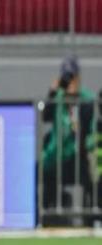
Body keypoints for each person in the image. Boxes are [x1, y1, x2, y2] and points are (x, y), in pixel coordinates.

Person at [42, 55, 96, 208]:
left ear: (78, 77)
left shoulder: (87, 99)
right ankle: (48, 212)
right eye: (67, 77)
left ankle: (90, 214)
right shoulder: (57, 98)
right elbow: (45, 116)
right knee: (43, 170)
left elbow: (88, 129)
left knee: (93, 173)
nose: (70, 81)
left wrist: (74, 101)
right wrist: (52, 92)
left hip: (81, 156)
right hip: (58, 156)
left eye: (72, 76)